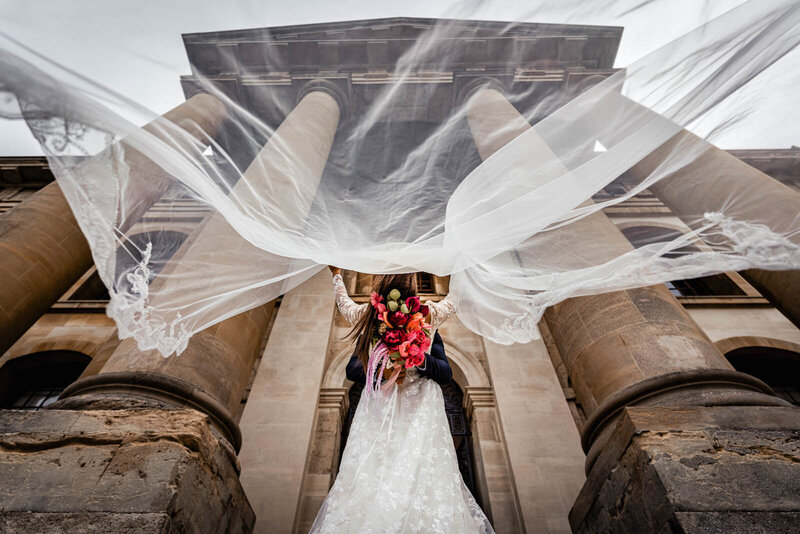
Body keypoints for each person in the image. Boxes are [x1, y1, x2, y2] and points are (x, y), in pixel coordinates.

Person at [310, 268, 493, 534]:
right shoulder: (386, 319)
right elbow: (454, 299)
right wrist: (381, 364)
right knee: (379, 476)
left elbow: (444, 372)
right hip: (382, 413)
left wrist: (417, 358)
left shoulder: (420, 321)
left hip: (418, 415)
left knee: (415, 476)